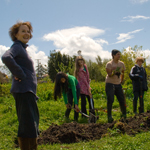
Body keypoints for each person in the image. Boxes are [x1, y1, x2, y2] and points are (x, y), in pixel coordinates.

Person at [1, 21, 39, 150]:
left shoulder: (22, 49)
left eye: (28, 31)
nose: (27, 33)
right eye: (23, 31)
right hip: (23, 90)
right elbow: (6, 57)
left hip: (28, 91)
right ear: (16, 35)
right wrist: (19, 73)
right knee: (27, 125)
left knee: (31, 124)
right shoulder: (17, 46)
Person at [105, 49, 126, 123]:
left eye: (119, 54)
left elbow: (123, 73)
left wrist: (121, 81)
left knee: (122, 99)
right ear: (113, 55)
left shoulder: (121, 64)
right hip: (110, 83)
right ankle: (109, 116)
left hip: (118, 84)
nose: (119, 56)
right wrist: (114, 72)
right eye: (117, 54)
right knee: (110, 99)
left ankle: (124, 113)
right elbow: (109, 75)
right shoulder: (109, 64)